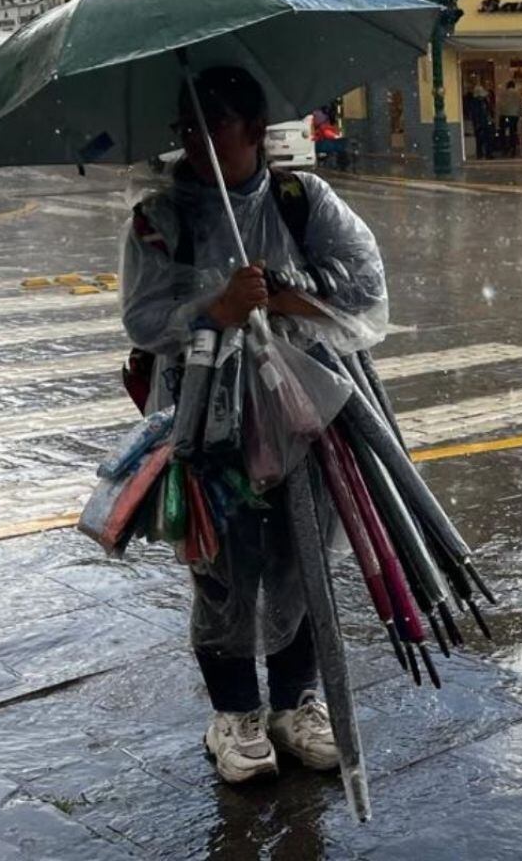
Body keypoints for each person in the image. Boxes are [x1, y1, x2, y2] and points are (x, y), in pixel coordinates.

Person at [120, 66, 388, 787]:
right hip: (206, 422)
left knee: (299, 554)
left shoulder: (304, 201)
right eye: (189, 129)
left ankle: (297, 703)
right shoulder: (159, 218)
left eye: (218, 126)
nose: (201, 144)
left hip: (300, 410)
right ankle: (234, 712)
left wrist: (292, 295)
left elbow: (364, 287)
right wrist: (217, 308)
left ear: (253, 130)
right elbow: (145, 319)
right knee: (221, 566)